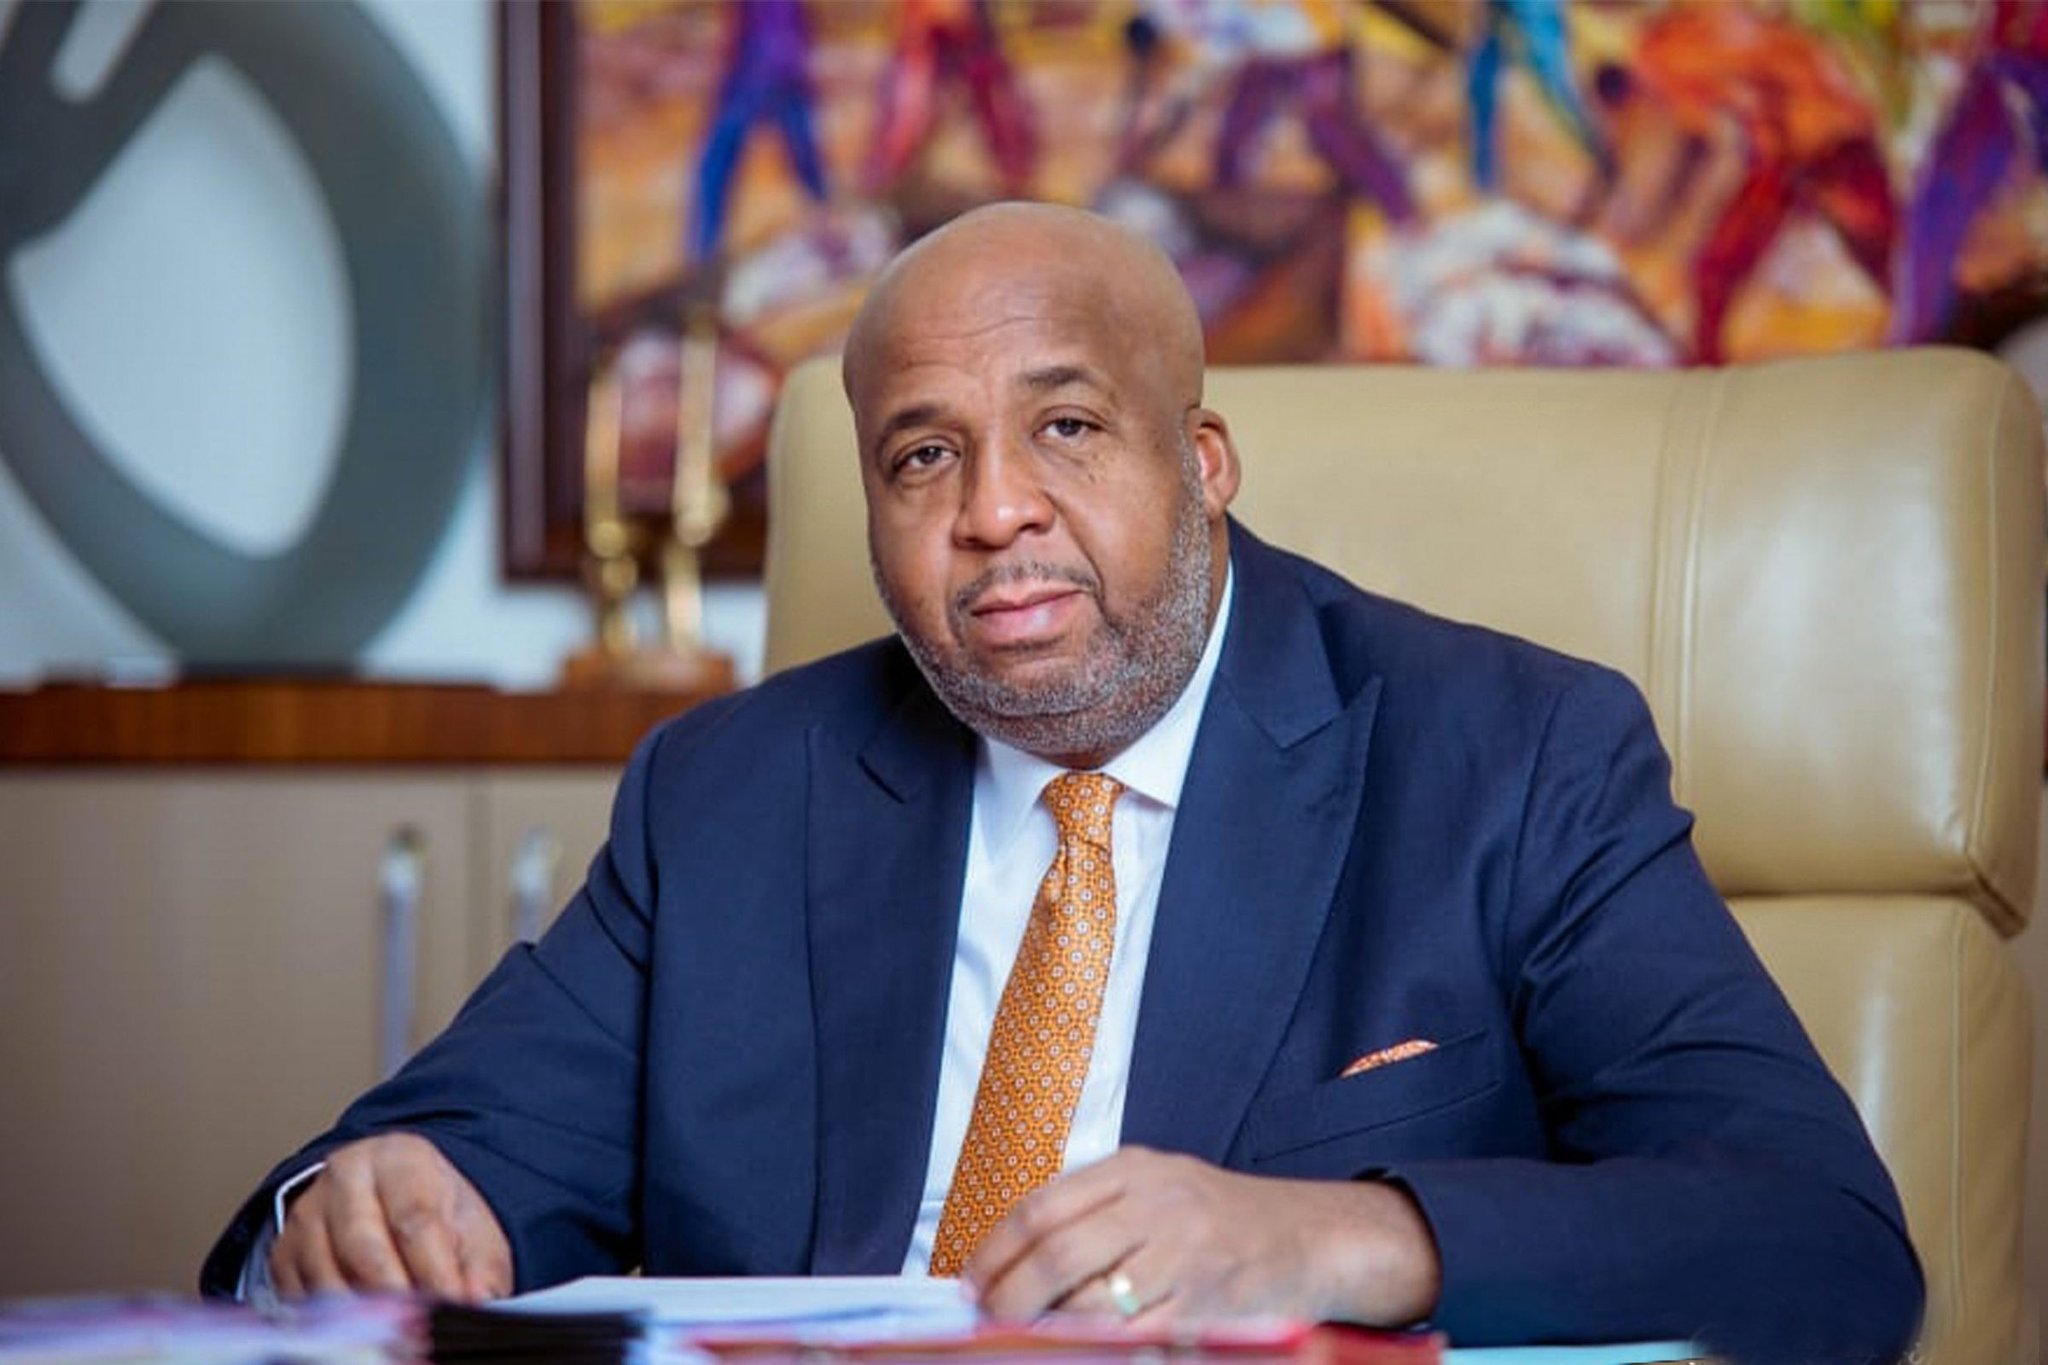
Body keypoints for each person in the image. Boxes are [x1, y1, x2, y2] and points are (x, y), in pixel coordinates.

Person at [203, 203, 1921, 1363]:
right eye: (923, 454)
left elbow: (1825, 1241)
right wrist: (364, 1207)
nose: (994, 509)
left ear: (1205, 462)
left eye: (1069, 427)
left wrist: (1338, 1241)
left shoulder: (1511, 754)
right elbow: (441, 1161)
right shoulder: (727, 797)